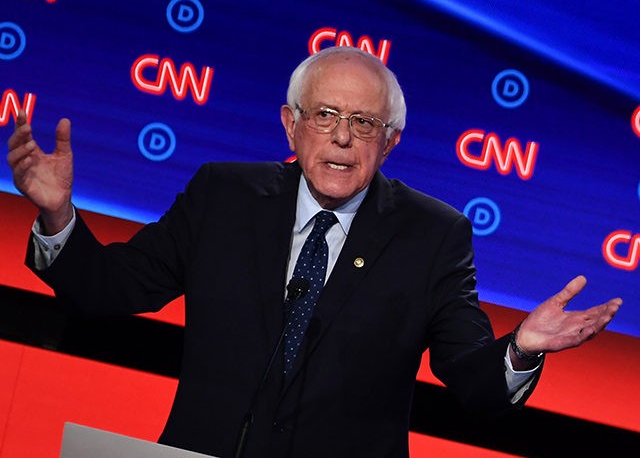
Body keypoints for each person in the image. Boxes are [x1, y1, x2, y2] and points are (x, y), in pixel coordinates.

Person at [7, 46, 622, 458]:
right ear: (290, 125)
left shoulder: (433, 235)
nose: (342, 137)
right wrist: (59, 215)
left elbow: (469, 379)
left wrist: (520, 350)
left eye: (364, 122)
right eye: (325, 115)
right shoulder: (224, 194)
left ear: (391, 142)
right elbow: (111, 288)